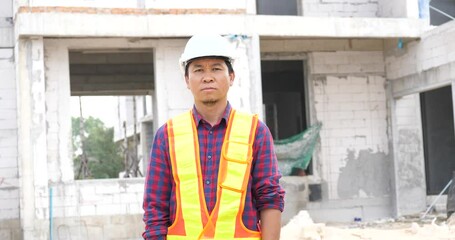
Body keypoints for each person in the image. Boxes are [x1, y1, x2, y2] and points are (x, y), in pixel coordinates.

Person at [142, 34, 285, 240]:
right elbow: (155, 207)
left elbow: (269, 198)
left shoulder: (255, 131)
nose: (207, 77)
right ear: (186, 80)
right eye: (198, 70)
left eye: (216, 68)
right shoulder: (167, 135)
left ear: (232, 77)